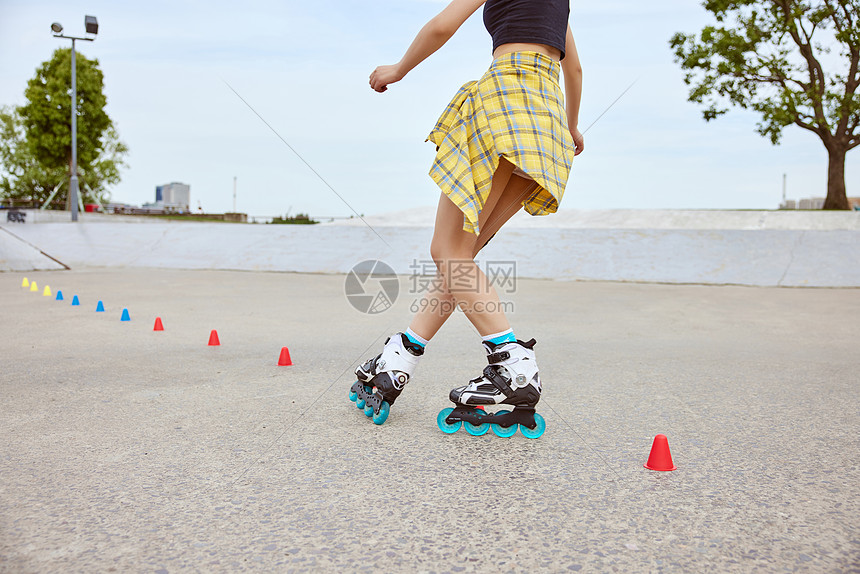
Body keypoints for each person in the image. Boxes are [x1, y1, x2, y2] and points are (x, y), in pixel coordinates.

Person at [349, 0, 584, 436]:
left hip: (504, 103)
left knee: (446, 251)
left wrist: (397, 69)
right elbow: (574, 70)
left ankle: (513, 366)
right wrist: (570, 127)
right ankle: (400, 356)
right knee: (461, 258)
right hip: (545, 123)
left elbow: (443, 25)